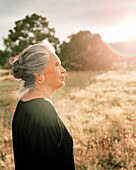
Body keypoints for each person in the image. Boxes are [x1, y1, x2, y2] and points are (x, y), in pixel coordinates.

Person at [12, 44, 75, 170]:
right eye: (57, 65)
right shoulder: (42, 112)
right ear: (39, 74)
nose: (63, 70)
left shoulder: (24, 104)